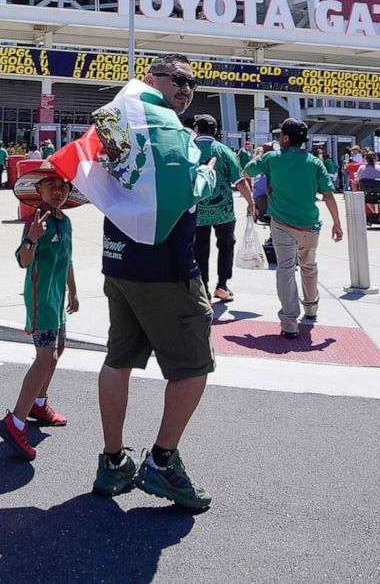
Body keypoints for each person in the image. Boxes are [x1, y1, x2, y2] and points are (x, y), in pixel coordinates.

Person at [94, 54, 225, 512]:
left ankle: (113, 462)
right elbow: (184, 188)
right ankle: (162, 462)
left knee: (119, 358)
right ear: (152, 78)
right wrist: (207, 174)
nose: (187, 89)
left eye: (192, 83)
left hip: (119, 260)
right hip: (166, 266)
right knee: (193, 367)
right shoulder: (164, 127)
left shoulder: (118, 117)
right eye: (180, 79)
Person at [0, 162, 81, 460]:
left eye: (63, 185)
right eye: (51, 184)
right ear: (38, 189)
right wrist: (32, 236)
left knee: (59, 347)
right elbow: (22, 259)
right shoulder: (38, 220)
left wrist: (73, 289)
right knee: (47, 358)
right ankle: (15, 421)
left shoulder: (66, 222)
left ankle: (38, 404)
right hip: (40, 300)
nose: (58, 190)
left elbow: (68, 259)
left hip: (57, 300)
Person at [242, 118, 344, 340]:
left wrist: (258, 154)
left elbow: (248, 171)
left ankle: (289, 322)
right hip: (309, 225)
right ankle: (311, 307)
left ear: (286, 138)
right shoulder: (314, 163)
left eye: (280, 136)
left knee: (286, 269)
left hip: (281, 224)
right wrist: (337, 223)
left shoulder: (272, 158)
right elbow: (328, 194)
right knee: (309, 266)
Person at [191, 115, 243, 302]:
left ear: (196, 129)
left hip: (197, 210)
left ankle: (203, 287)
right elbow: (239, 180)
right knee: (226, 245)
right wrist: (251, 203)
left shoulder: (189, 149)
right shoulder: (224, 151)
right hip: (224, 210)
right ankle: (222, 285)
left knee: (199, 249)